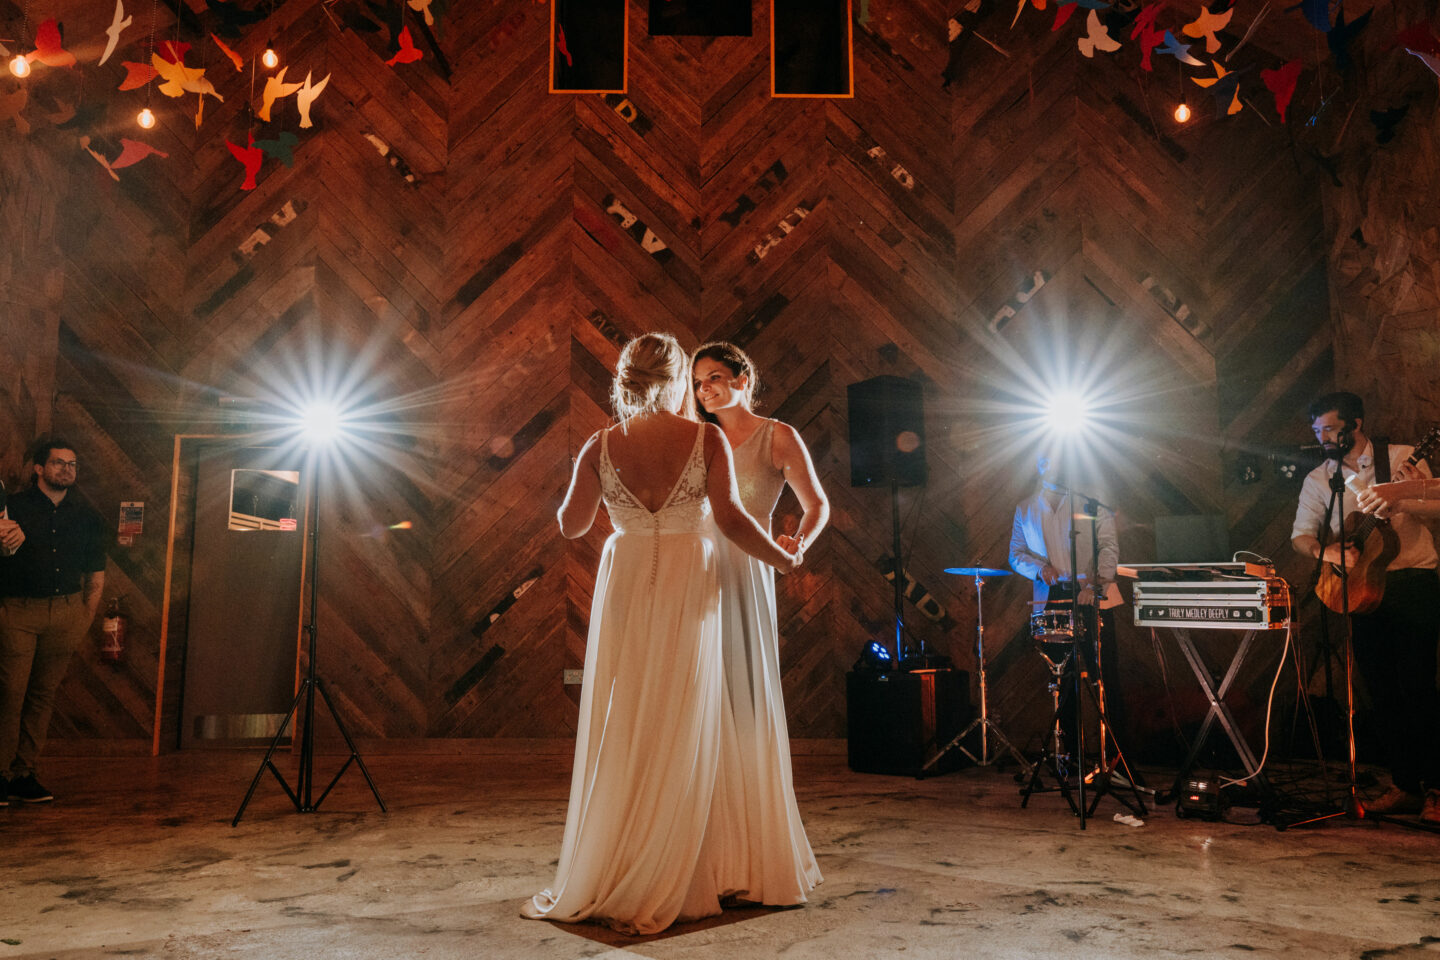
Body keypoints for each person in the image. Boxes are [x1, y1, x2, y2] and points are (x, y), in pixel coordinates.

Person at [523, 333, 800, 934]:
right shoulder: (705, 438)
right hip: (687, 578)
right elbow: (730, 520)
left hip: (625, 581)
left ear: (624, 379)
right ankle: (688, 860)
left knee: (629, 712)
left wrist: (594, 482)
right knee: (686, 709)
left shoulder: (600, 443)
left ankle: (621, 853)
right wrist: (781, 559)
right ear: (677, 380)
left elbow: (571, 526)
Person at [690, 341, 827, 907]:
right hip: (695, 568)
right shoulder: (697, 438)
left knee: (741, 694)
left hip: (747, 567)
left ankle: (753, 846)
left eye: (716, 378)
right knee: (701, 697)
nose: (706, 391)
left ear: (744, 377)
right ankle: (705, 841)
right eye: (698, 384)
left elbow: (817, 503)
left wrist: (797, 541)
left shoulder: (777, 436)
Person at [1290, 392, 1440, 822]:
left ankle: (1437, 787)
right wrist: (1330, 550)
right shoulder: (1319, 479)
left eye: (1329, 429)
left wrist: (1401, 500)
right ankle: (1405, 784)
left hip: (1412, 582)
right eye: (1316, 431)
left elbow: (1436, 508)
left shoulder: (1404, 457)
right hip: (1359, 590)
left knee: (1418, 687)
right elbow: (1301, 536)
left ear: (1355, 424)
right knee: (1382, 691)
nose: (1322, 438)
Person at [0, 437, 106, 804]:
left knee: (42, 697)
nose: (67, 469)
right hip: (18, 611)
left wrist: (82, 620)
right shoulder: (12, 507)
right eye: (59, 462)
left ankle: (23, 773)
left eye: (72, 464)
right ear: (39, 469)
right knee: (9, 695)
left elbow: (96, 575)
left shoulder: (87, 515)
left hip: (67, 612)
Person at [1008, 450, 1126, 767]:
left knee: (1105, 679)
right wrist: (1038, 568)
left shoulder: (1091, 500)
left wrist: (1094, 586)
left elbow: (1109, 545)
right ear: (1039, 464)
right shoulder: (1025, 507)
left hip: (1091, 596)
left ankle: (1118, 759)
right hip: (1052, 598)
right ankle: (1071, 757)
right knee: (1065, 680)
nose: (1055, 465)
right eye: (1048, 460)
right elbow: (1016, 553)